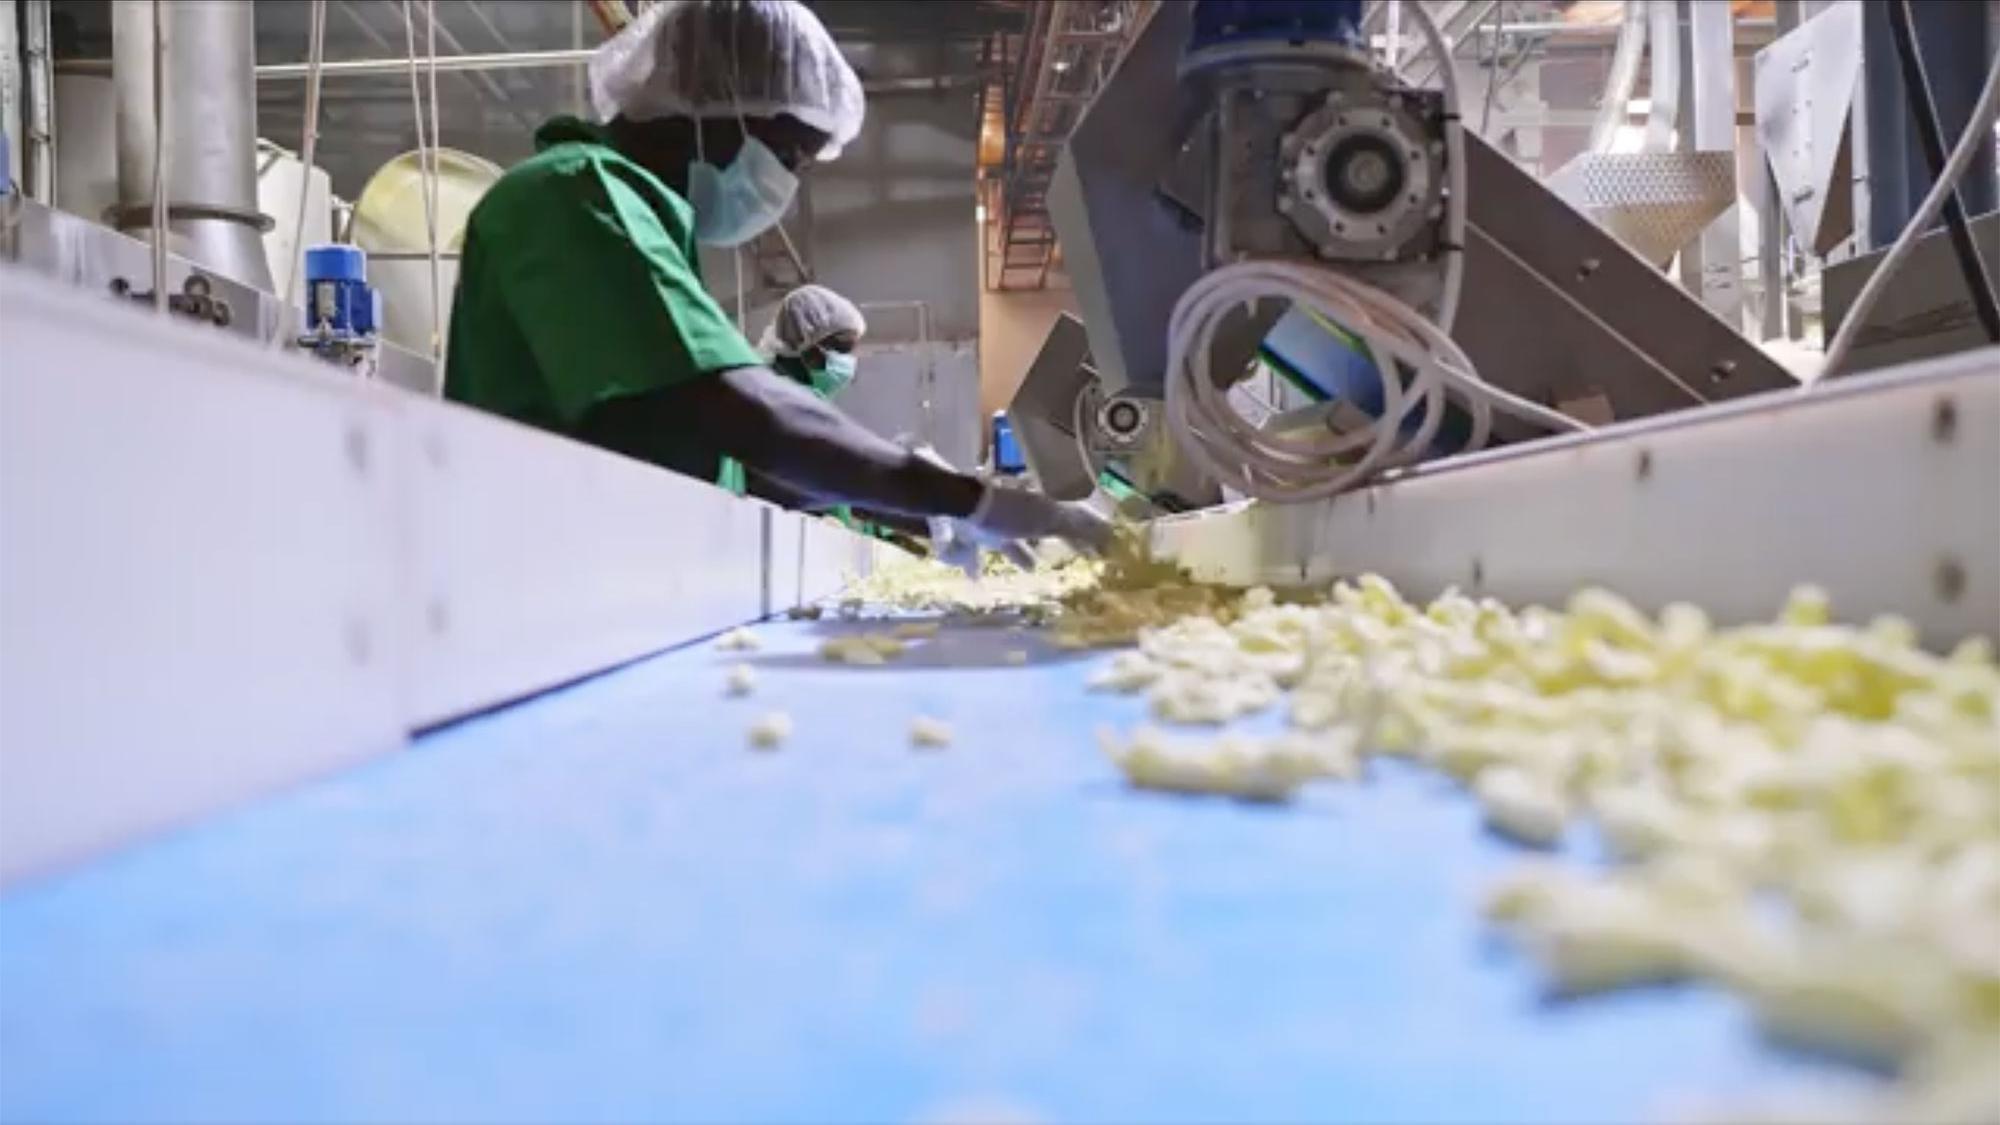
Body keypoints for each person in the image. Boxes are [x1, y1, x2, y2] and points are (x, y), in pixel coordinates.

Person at [443, 0, 1109, 560]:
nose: (785, 184)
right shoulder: (577, 195)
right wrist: (969, 499)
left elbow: (740, 466)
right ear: (712, 104)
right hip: (539, 581)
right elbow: (740, 413)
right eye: (787, 153)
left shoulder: (635, 213)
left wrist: (924, 507)